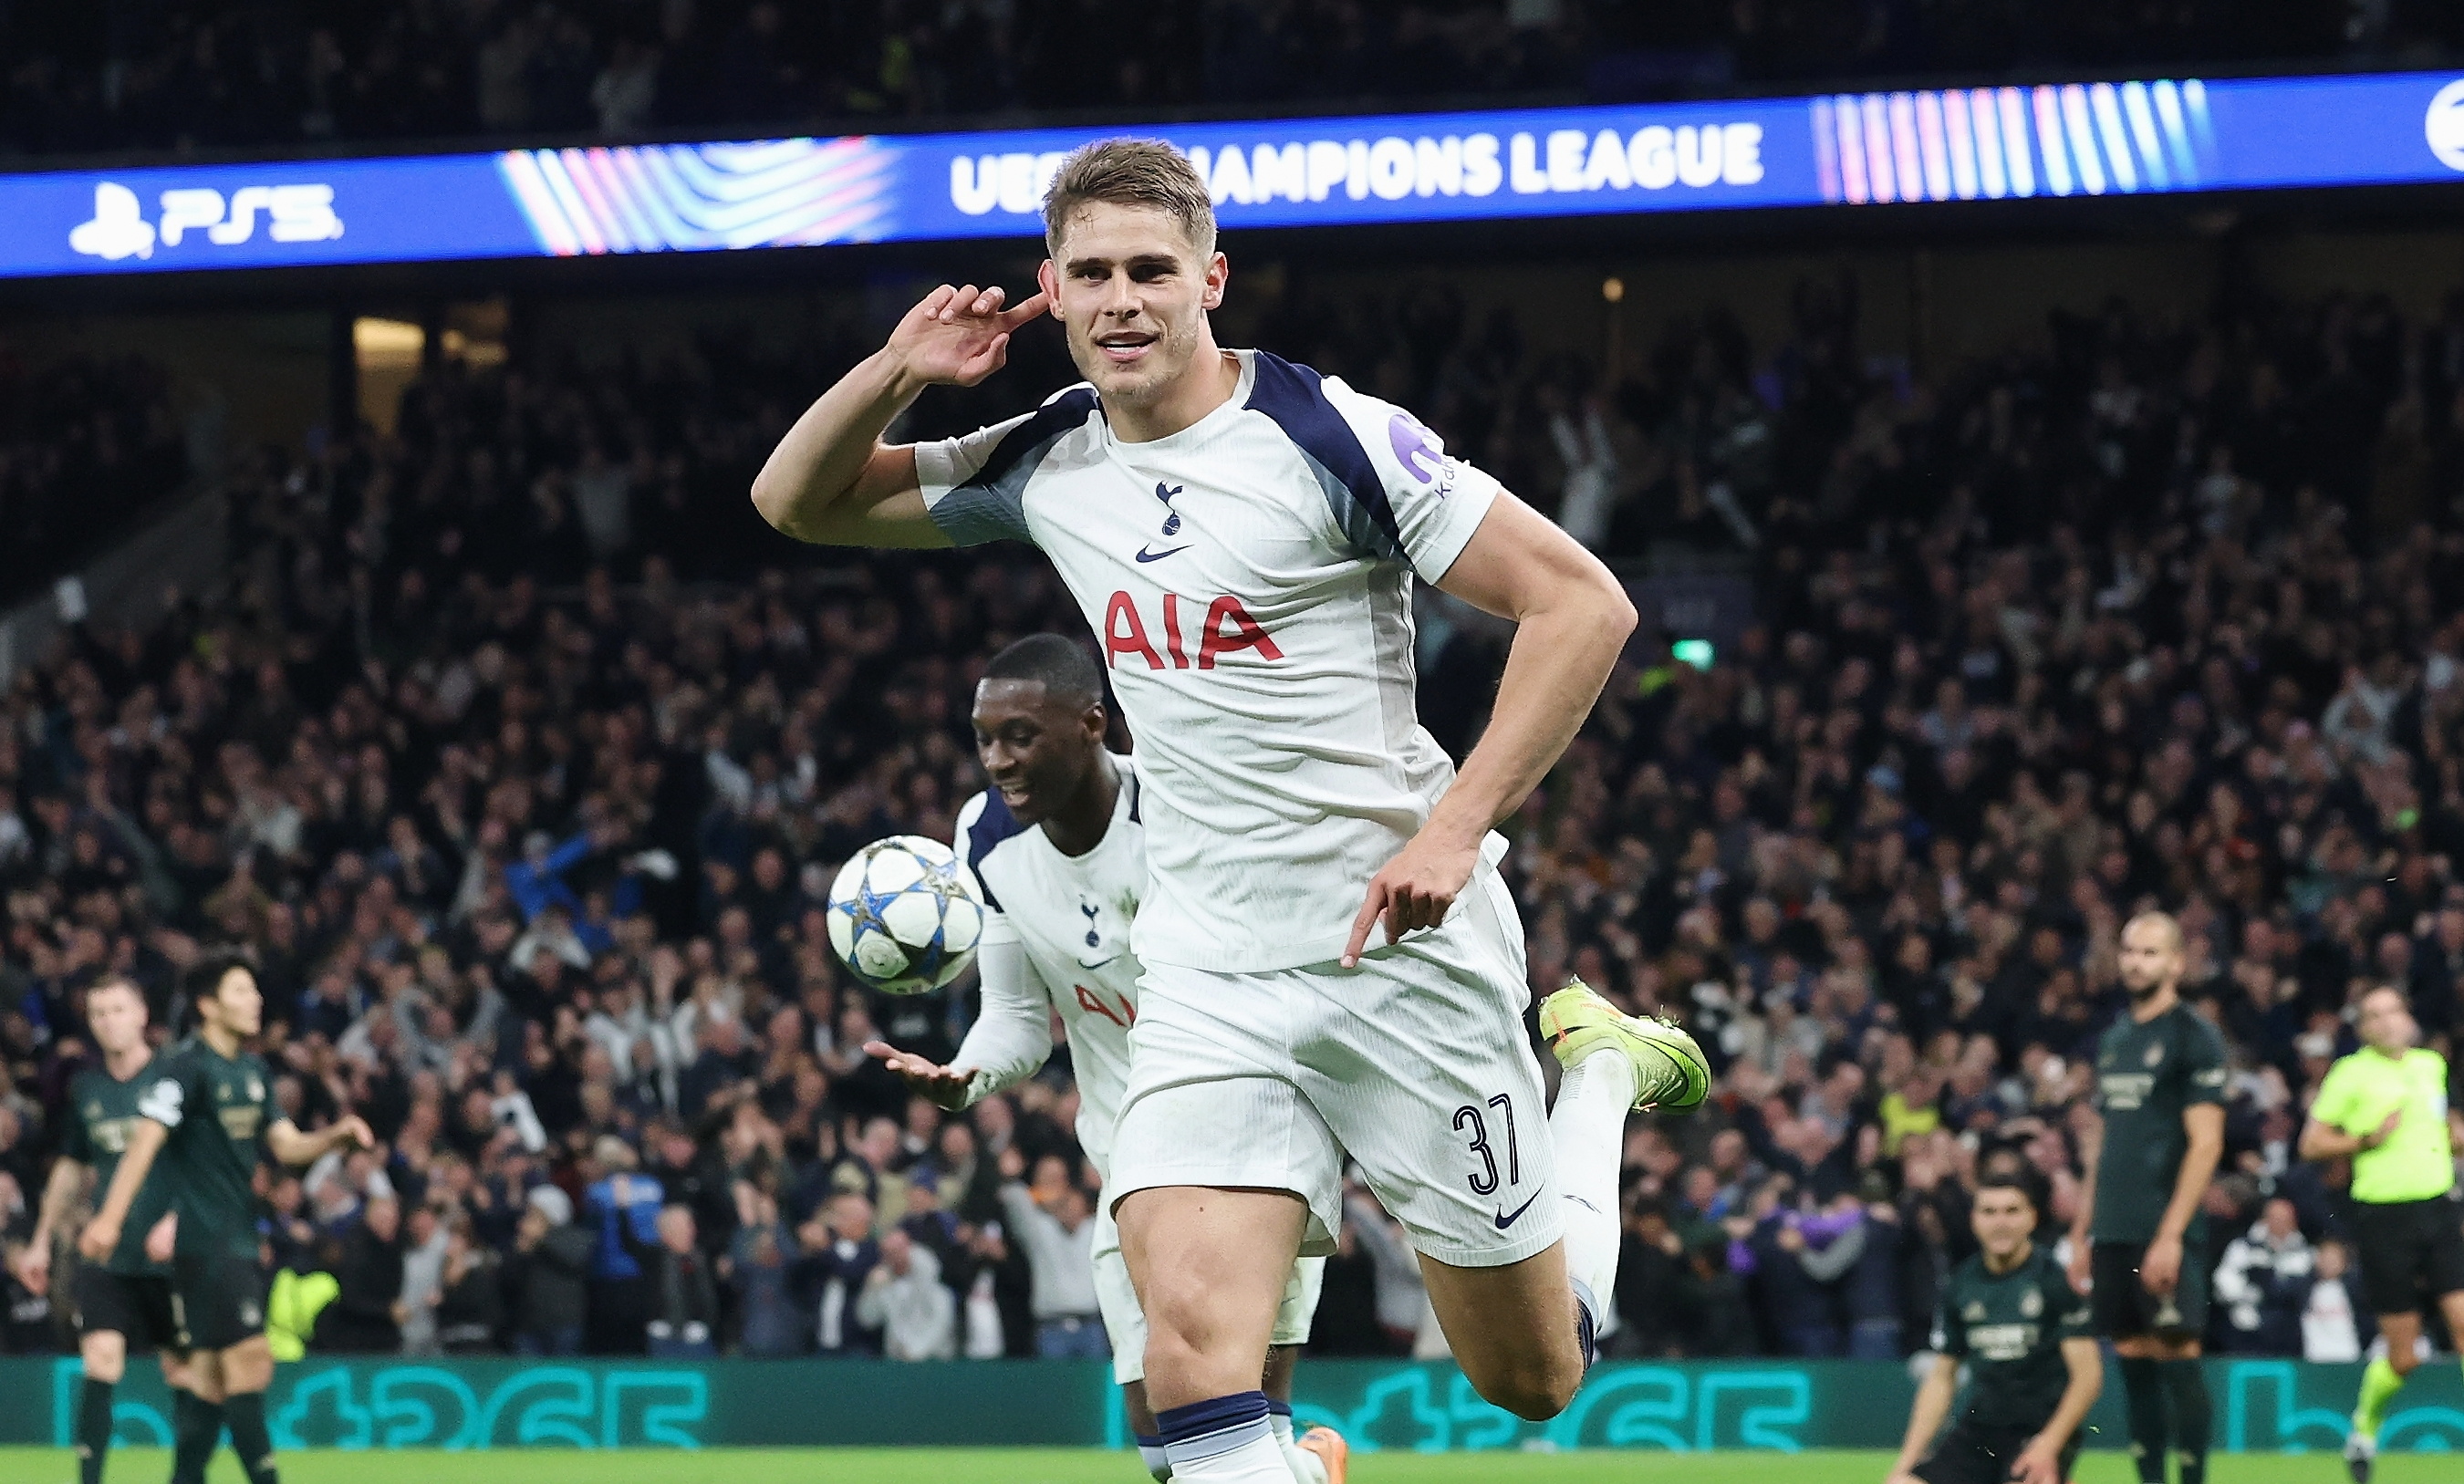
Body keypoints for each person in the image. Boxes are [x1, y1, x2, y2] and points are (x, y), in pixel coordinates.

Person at [757, 136, 1705, 1484]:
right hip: (1204, 970)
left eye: (1152, 269)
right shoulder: (1048, 457)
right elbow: (795, 501)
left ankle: (1598, 1072)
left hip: (1401, 955)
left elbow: (1583, 604)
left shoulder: (1329, 437)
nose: (1124, 298)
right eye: (1092, 273)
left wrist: (1451, 829)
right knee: (1192, 1369)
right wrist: (900, 369)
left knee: (1534, 1373)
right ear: (1051, 290)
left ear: (1214, 278)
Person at [867, 633, 1338, 1482]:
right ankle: (1312, 1472)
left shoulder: (1183, 814)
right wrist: (965, 1074)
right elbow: (1015, 1014)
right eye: (983, 737)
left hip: (1243, 1144)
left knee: (1226, 1440)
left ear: (1092, 725)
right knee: (1165, 1452)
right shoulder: (983, 839)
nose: (997, 759)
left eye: (1020, 734)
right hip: (1126, 1159)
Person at [78, 951, 373, 1484]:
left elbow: (285, 1147)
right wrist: (110, 1220)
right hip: (203, 1242)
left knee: (211, 1384)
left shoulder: (253, 1070)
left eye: (254, 990)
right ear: (208, 1005)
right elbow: (144, 1143)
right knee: (250, 1365)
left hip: (237, 1237)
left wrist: (335, 1136)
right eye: (241, 991)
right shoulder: (184, 1067)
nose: (255, 1000)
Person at [2067, 913, 2227, 1484]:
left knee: (2177, 1355)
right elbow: (2104, 1141)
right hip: (2112, 1228)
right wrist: (2084, 1228)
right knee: (2132, 1360)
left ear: (2176, 964)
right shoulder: (2114, 1039)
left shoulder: (2193, 1035)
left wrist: (2171, 1235)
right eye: (2129, 951)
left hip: (2164, 1230)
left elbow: (2206, 1144)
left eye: (2150, 953)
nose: (2135, 962)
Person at [13, 976, 190, 1484]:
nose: (108, 1021)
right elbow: (70, 1168)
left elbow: (204, 1161)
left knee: (181, 1370)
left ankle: (187, 1475)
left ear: (142, 1016)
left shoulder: (174, 1078)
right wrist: (43, 1240)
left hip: (168, 1254)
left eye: (118, 1009)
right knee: (101, 1358)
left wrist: (179, 1219)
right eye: (98, 1013)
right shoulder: (86, 1089)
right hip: (107, 1252)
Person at [2297, 984, 2464, 1481]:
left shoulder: (2430, 1065)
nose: (2387, 1021)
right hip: (2383, 1218)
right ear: (2363, 1028)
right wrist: (2365, 1139)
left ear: (2406, 1016)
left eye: (2393, 1010)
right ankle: (2364, 1429)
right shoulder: (2350, 1075)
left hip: (2438, 1209)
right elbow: (2312, 1142)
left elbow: (2444, 1125)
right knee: (2404, 1355)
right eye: (2375, 1016)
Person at [1887, 1171, 2102, 1484]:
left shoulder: (2054, 1281)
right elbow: (1942, 1379)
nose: (2000, 1222)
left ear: (2032, 1218)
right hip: (1980, 1428)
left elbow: (2088, 1376)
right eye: (1989, 1212)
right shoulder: (1962, 1284)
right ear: (1975, 1219)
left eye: (2012, 1211)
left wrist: (2049, 1444)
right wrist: (1904, 1465)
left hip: (2040, 1430)